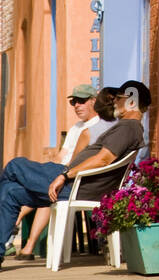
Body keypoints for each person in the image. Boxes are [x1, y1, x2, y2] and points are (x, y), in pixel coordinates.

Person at [0, 80, 151, 269]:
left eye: (119, 99)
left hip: (74, 185)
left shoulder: (128, 127)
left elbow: (103, 159)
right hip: (75, 184)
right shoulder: (129, 127)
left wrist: (65, 175)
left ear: (131, 101)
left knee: (14, 166)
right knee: (10, 192)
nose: (115, 103)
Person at [7, 85, 116, 261]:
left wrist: (54, 174)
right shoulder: (76, 128)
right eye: (74, 102)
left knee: (16, 169)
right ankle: (25, 245)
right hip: (59, 172)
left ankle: (18, 229)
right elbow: (61, 156)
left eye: (81, 101)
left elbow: (77, 161)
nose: (77, 106)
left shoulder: (96, 128)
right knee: (34, 185)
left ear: (93, 101)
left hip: (73, 177)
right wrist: (44, 170)